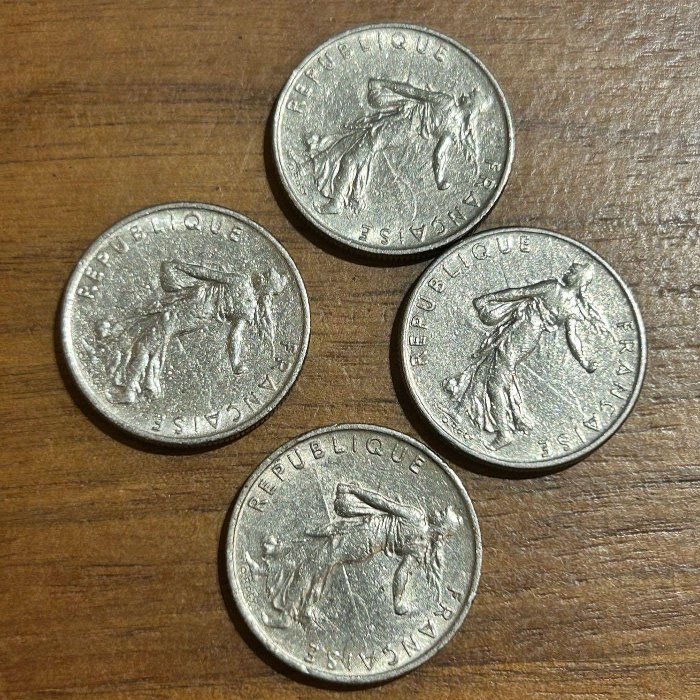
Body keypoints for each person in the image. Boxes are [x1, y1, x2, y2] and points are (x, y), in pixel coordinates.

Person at [443, 261, 613, 450]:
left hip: (521, 334)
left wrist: (489, 298)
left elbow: (520, 292)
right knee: (483, 370)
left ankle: (504, 433)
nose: (568, 271)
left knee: (496, 383)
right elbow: (572, 338)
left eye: (572, 271)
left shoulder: (552, 287)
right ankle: (459, 411)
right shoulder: (572, 306)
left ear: (578, 279)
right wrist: (584, 361)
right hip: (526, 335)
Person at [245, 482, 462, 628]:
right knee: (311, 545)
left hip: (360, 535)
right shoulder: (421, 549)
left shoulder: (416, 517)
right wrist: (397, 602)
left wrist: (354, 490)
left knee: (315, 565)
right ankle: (268, 569)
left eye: (443, 514)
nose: (439, 510)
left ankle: (288, 615)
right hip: (362, 543)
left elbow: (382, 502)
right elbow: (402, 574)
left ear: (442, 526)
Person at [94, 260, 286, 404]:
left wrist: (180, 265)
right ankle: (148, 384)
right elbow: (236, 336)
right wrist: (235, 363)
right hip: (198, 318)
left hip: (191, 304)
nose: (259, 274)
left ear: (262, 281)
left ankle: (130, 390)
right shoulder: (249, 307)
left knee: (146, 344)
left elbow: (205, 273)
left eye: (264, 275)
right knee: (155, 340)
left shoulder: (240, 280)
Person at [308, 79, 480, 214]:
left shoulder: (446, 101)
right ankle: (351, 196)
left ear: (471, 107)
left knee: (351, 159)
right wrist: (440, 180)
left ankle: (337, 203)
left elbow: (413, 92)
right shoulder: (454, 129)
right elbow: (440, 155)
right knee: (357, 150)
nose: (466, 94)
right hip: (403, 133)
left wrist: (384, 84)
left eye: (471, 96)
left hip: (399, 125)